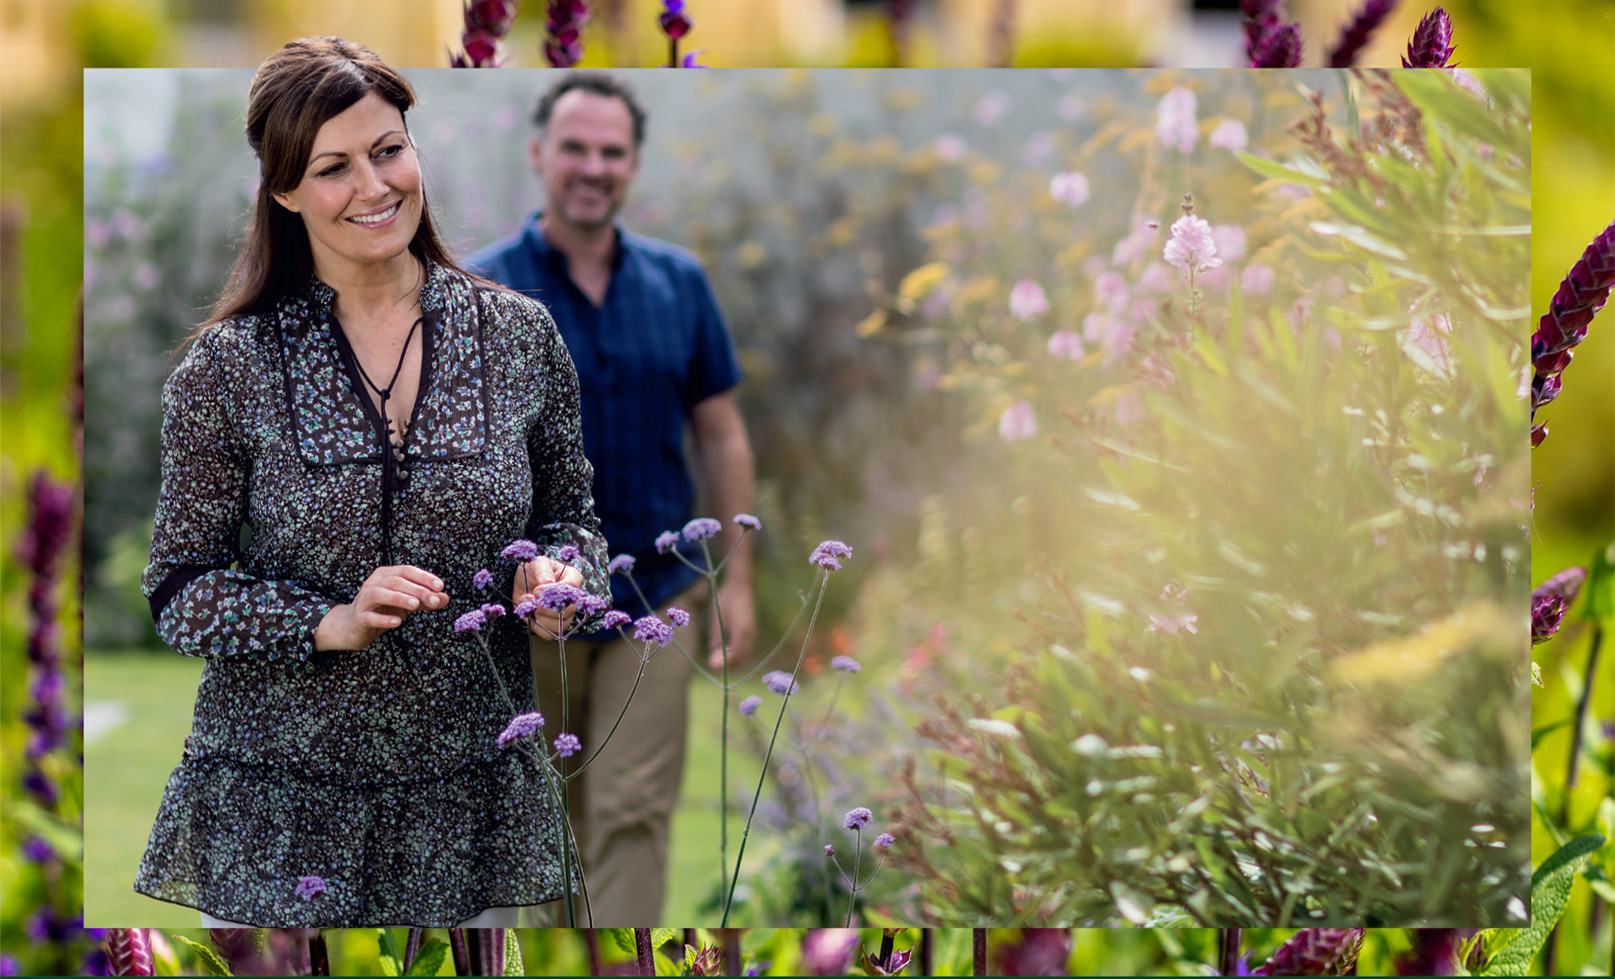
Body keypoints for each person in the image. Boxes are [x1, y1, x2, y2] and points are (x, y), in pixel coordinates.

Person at [133, 37, 608, 929]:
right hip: (276, 808)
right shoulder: (226, 370)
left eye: (388, 150)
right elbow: (179, 589)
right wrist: (328, 620)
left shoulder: (518, 338)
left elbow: (574, 521)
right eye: (333, 167)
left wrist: (559, 577)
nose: (374, 186)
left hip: (472, 805)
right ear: (283, 191)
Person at [468, 72, 756, 926]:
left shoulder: (680, 283)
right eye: (575, 148)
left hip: (655, 601)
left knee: (630, 816)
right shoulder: (481, 294)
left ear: (631, 164)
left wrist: (735, 580)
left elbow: (721, 432)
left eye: (611, 151)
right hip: (529, 610)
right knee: (537, 823)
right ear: (538, 155)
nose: (592, 167)